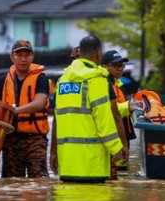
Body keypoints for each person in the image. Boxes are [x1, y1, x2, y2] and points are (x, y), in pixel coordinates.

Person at [54, 35, 126, 183]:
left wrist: (53, 152)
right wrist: (116, 148)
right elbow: (104, 119)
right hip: (92, 165)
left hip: (67, 165)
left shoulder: (62, 81)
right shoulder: (97, 80)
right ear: (99, 53)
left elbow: (56, 119)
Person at [0, 39, 51, 178]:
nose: (23, 59)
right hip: (11, 139)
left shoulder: (40, 78)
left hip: (35, 139)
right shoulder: (4, 80)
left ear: (32, 57)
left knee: (39, 180)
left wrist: (15, 110)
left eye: (27, 55)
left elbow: (40, 102)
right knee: (11, 181)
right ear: (12, 57)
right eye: (19, 55)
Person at [101, 49, 140, 176]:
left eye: (121, 65)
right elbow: (109, 110)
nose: (120, 68)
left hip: (123, 136)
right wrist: (129, 106)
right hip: (114, 139)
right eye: (115, 65)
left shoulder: (119, 84)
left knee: (122, 179)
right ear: (104, 66)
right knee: (114, 176)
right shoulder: (104, 84)